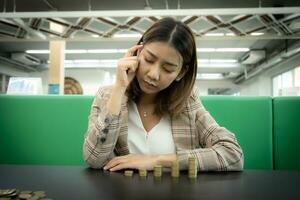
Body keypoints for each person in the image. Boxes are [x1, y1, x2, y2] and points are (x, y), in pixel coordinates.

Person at [83, 17, 243, 172]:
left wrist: (157, 161)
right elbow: (94, 159)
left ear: (181, 72)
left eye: (168, 68)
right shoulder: (108, 95)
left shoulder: (188, 102)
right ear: (137, 52)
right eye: (149, 59)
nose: (153, 74)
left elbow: (232, 154)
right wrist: (119, 88)